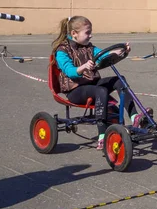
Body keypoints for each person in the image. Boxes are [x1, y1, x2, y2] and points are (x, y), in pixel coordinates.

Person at [51, 16, 151, 150]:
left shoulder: (89, 47)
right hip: (75, 90)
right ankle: (102, 136)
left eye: (90, 32)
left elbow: (104, 55)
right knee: (101, 91)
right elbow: (69, 71)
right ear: (74, 33)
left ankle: (134, 117)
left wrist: (120, 51)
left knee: (119, 79)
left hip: (92, 84)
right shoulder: (62, 50)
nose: (91, 36)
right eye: (87, 32)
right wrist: (83, 67)